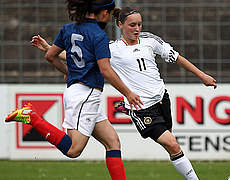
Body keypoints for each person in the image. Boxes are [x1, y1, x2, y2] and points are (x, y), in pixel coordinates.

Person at [30, 7, 217, 180]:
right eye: (132, 25)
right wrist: (50, 48)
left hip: (162, 100)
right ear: (120, 25)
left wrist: (202, 76)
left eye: (139, 24)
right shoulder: (112, 49)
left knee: (120, 143)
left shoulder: (151, 41)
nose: (137, 29)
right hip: (141, 107)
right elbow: (79, 56)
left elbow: (177, 58)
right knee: (172, 144)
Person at [6, 2, 143, 180]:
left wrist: (70, 72)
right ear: (102, 12)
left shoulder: (68, 29)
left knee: (112, 142)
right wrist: (128, 93)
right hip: (85, 95)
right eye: (109, 14)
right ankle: (31, 116)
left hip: (80, 93)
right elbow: (105, 70)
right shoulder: (98, 35)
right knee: (73, 150)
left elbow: (50, 56)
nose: (109, 18)